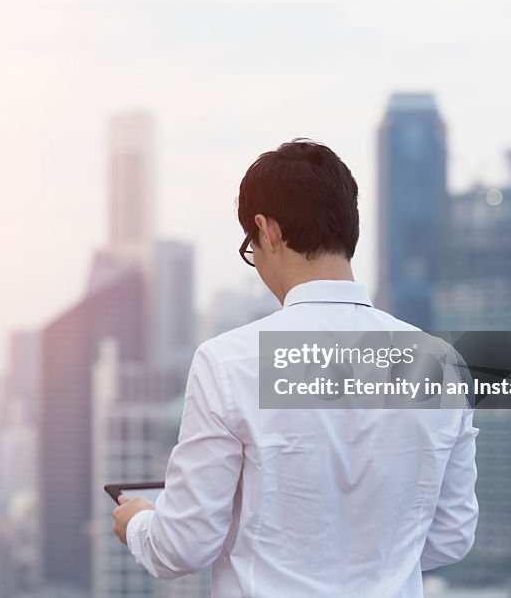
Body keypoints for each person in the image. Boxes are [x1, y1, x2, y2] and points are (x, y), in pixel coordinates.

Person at [112, 139, 478, 596]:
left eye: (251, 245)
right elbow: (452, 534)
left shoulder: (228, 363)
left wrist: (139, 522)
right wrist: (365, 557)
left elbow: (185, 545)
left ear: (267, 232)